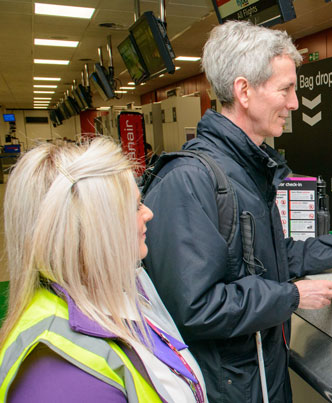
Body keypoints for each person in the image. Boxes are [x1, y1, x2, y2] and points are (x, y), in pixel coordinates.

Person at [141, 21, 332, 403]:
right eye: (285, 89)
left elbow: (275, 257)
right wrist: (289, 296)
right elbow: (194, 307)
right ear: (243, 91)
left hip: (259, 377)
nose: (294, 103)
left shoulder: (244, 169)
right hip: (228, 388)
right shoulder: (191, 179)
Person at [0, 139, 207, 402]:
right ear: (93, 226)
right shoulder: (61, 373)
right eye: (134, 207)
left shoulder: (117, 289)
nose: (149, 213)